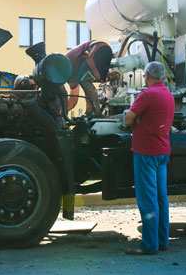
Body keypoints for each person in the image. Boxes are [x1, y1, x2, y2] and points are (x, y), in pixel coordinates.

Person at [123, 61, 175, 255]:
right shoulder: (168, 95)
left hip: (146, 153)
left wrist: (137, 120)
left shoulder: (147, 95)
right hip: (162, 151)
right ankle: (162, 240)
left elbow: (128, 119)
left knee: (147, 198)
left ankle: (149, 244)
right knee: (161, 197)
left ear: (147, 76)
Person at [64, 40, 112, 117]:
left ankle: (97, 113)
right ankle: (91, 110)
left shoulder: (66, 70)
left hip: (96, 50)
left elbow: (73, 99)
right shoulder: (65, 61)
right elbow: (85, 89)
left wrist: (61, 113)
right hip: (104, 48)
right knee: (86, 81)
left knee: (84, 80)